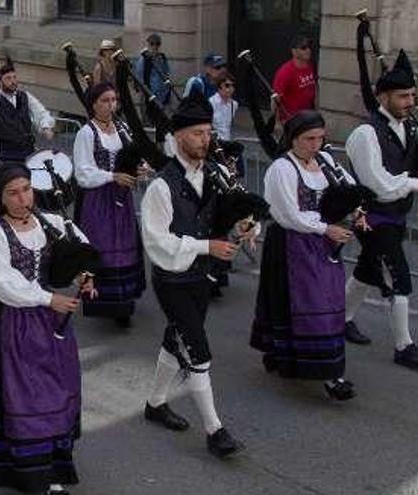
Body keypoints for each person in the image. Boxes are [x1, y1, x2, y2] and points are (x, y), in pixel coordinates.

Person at [0, 163, 94, 495]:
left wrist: (85, 273)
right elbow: (3, 285)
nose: (23, 197)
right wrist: (47, 298)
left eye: (26, 189)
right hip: (14, 325)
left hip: (52, 324)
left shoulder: (52, 222)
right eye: (13, 192)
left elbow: (81, 248)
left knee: (55, 393)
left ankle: (53, 473)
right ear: (0, 198)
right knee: (24, 399)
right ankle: (30, 475)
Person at [139, 92, 250, 459]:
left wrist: (245, 225)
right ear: (180, 136)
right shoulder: (161, 186)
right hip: (172, 279)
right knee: (198, 349)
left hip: (201, 276)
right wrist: (208, 248)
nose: (207, 139)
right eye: (199, 133)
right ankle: (215, 430)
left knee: (177, 338)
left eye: (208, 132)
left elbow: (229, 214)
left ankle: (155, 403)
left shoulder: (213, 175)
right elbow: (157, 242)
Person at [343, 50, 418, 368]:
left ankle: (340, 320)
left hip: (396, 216)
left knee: (367, 270)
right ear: (382, 96)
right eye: (402, 96)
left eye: (412, 95)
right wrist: (416, 184)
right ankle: (404, 346)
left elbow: (416, 165)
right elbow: (378, 184)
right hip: (372, 217)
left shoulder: (409, 128)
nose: (409, 101)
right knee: (399, 277)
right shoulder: (365, 134)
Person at [250, 110, 357, 400]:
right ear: (293, 139)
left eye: (320, 138)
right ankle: (321, 371)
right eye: (309, 139)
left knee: (325, 301)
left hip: (322, 244)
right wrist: (326, 228)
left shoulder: (326, 162)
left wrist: (358, 212)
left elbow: (349, 189)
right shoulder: (282, 169)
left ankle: (327, 367)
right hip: (290, 243)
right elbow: (289, 215)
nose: (316, 145)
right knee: (289, 302)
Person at [72, 82, 146, 326]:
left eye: (114, 100)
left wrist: (140, 168)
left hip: (121, 199)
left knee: (125, 247)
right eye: (105, 100)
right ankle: (104, 302)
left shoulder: (121, 128)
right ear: (93, 104)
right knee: (102, 247)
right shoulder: (86, 133)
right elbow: (83, 172)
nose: (111, 105)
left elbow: (132, 155)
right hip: (98, 200)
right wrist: (111, 176)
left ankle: (124, 305)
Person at [0, 57, 55, 161]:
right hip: (6, 155)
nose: (13, 81)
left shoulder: (25, 96)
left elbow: (40, 112)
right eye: (8, 78)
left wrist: (45, 127)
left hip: (28, 152)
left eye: (14, 77)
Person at [133, 34, 172, 143]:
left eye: (157, 44)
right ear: (148, 44)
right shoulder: (143, 60)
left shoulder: (162, 58)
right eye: (152, 44)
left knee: (162, 127)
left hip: (162, 98)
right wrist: (145, 93)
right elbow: (139, 78)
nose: (155, 47)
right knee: (149, 126)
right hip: (149, 97)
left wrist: (167, 93)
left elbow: (167, 74)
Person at [272, 35, 317, 123]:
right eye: (303, 48)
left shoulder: (311, 66)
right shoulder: (285, 72)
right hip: (290, 120)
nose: (308, 50)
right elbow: (275, 99)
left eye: (309, 47)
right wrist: (276, 122)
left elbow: (315, 90)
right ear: (294, 51)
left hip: (306, 118)